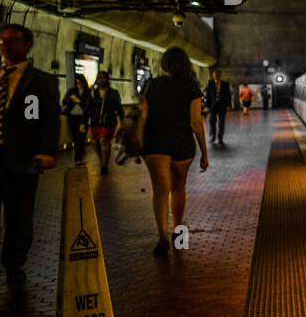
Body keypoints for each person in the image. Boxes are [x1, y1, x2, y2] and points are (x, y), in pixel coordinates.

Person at [0, 23, 59, 287]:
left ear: (27, 45)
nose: (5, 45)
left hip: (21, 159)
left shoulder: (39, 81)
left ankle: (14, 264)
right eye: (2, 40)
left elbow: (45, 119)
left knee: (18, 218)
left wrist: (47, 151)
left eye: (12, 41)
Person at [136, 46, 208, 257]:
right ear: (186, 64)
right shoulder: (191, 86)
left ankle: (162, 238)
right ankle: (179, 232)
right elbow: (196, 122)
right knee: (178, 188)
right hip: (182, 143)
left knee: (160, 191)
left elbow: (144, 116)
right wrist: (204, 152)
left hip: (156, 142)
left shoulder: (153, 85)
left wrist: (141, 142)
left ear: (165, 64)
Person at [84, 72, 125, 176]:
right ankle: (102, 158)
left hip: (108, 122)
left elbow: (119, 108)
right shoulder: (93, 93)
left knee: (104, 141)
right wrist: (83, 122)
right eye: (100, 78)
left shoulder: (114, 93)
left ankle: (104, 165)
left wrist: (122, 121)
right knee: (94, 142)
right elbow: (87, 108)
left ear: (107, 80)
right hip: (94, 122)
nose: (102, 80)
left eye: (104, 78)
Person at [62, 73, 90, 165]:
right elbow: (64, 101)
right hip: (72, 117)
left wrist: (78, 101)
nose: (78, 84)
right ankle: (80, 154)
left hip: (82, 118)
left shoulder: (87, 92)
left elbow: (88, 105)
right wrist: (71, 100)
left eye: (80, 82)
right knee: (75, 138)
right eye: (77, 83)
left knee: (80, 138)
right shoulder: (71, 91)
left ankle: (77, 159)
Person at [203, 68, 232, 147]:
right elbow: (208, 96)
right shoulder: (210, 84)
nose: (216, 77)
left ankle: (220, 138)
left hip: (222, 105)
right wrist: (207, 106)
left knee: (221, 122)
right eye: (215, 75)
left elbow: (228, 96)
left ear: (220, 76)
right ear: (213, 76)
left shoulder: (225, 84)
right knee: (212, 121)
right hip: (213, 106)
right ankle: (213, 136)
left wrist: (229, 105)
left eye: (218, 75)